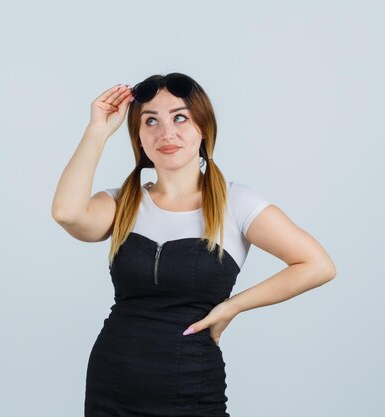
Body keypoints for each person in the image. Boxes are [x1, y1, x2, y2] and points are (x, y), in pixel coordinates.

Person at [51, 72, 336, 417]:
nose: (165, 132)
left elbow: (318, 265)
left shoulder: (237, 203)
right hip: (112, 384)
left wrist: (231, 307)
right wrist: (97, 130)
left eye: (180, 117)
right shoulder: (122, 202)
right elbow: (67, 213)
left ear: (203, 128)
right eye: (150, 121)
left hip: (190, 388)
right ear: (138, 137)